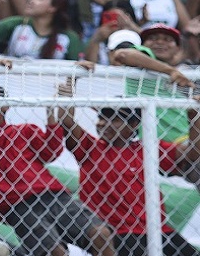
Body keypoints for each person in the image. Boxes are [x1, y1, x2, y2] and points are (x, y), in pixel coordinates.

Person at [58, 102, 200, 256]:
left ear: (133, 125)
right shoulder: (90, 148)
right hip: (117, 233)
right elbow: (67, 122)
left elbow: (192, 154)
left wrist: (194, 116)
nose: (104, 123)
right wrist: (66, 94)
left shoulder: (147, 148)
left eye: (114, 119)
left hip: (156, 230)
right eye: (101, 118)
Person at [0, 106, 116, 256]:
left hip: (53, 194)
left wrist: (50, 117)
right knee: (54, 252)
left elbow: (50, 152)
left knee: (100, 233)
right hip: (17, 205)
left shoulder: (22, 131)